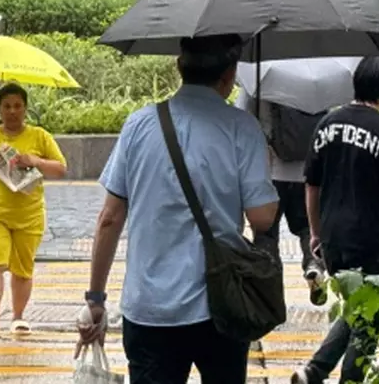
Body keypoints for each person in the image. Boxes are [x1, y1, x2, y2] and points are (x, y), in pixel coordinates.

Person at [76, 35, 279, 384]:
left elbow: (109, 218)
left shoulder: (138, 125)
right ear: (230, 75)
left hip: (150, 308)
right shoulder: (242, 128)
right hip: (220, 306)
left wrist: (96, 298)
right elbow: (261, 217)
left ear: (178, 67)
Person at [292, 56, 379, 384]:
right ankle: (348, 379)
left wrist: (315, 233)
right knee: (374, 311)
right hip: (369, 240)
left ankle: (314, 371)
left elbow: (311, 184)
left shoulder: (327, 124)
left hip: (333, 240)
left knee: (357, 307)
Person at [0, 83, 67, 337]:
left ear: (25, 108)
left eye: (17, 106)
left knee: (22, 269)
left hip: (28, 216)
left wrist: (35, 161)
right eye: (7, 106)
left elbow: (61, 169)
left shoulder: (40, 136)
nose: (12, 111)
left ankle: (18, 318)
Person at [235, 91, 328, 306]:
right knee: (308, 229)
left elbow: (239, 117)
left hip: (267, 174)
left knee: (266, 235)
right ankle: (314, 266)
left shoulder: (260, 83)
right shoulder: (311, 82)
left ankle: (270, 292)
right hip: (305, 173)